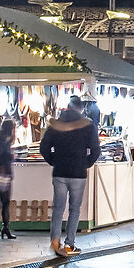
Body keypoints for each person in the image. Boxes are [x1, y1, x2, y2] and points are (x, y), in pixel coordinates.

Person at [40, 96, 100, 257]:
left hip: (59, 172)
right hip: (78, 173)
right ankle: (69, 244)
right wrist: (85, 163)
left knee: (58, 208)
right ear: (81, 108)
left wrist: (54, 161)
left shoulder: (55, 125)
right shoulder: (87, 126)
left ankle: (55, 240)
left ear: (67, 107)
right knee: (74, 209)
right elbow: (96, 150)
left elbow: (44, 147)